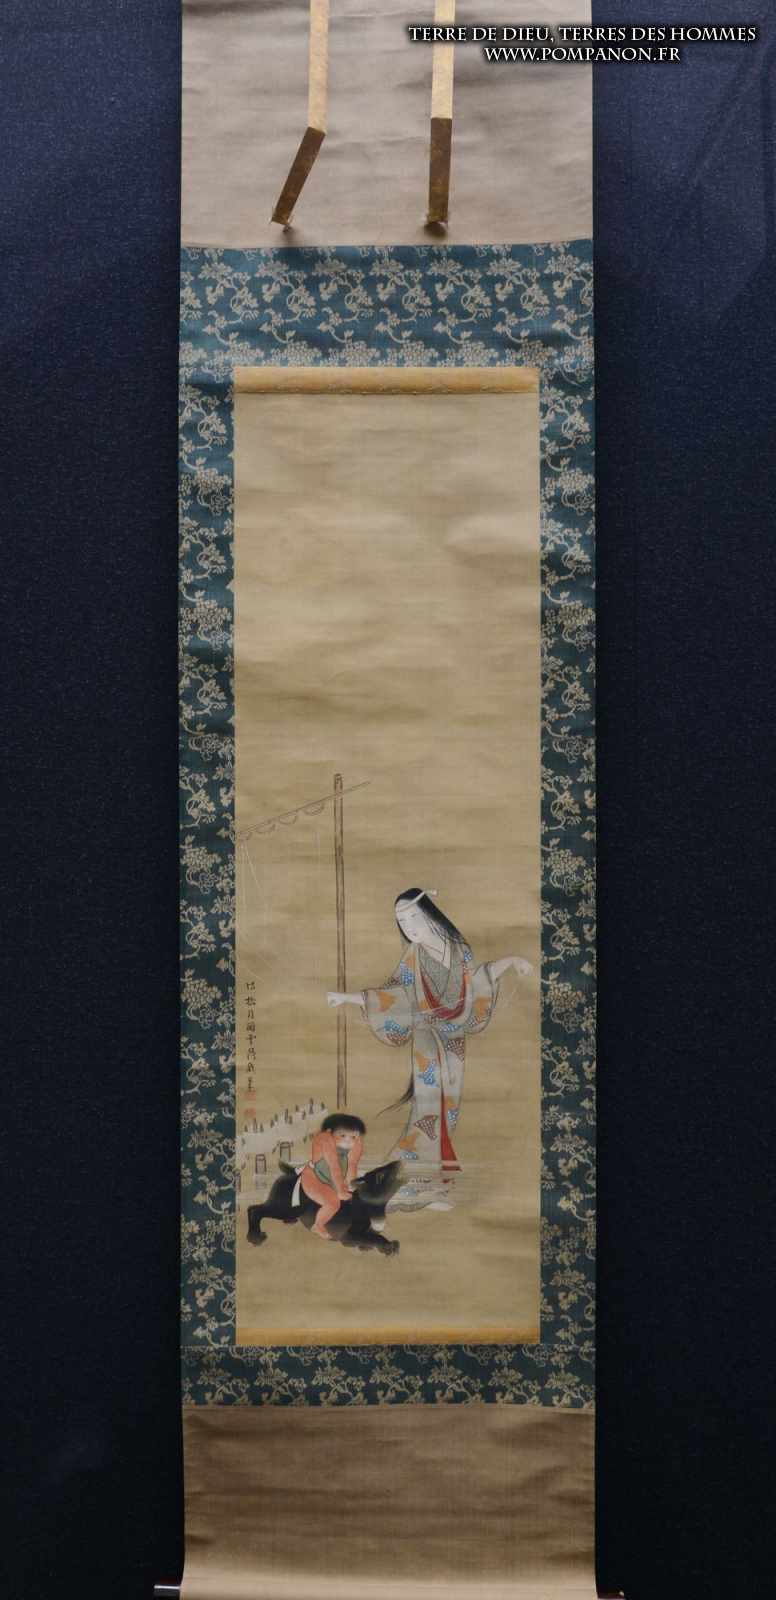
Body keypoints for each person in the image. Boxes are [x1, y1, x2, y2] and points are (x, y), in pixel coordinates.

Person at [326, 889, 531, 1212]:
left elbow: (479, 979)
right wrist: (350, 998)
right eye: (402, 922)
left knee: (448, 1111)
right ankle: (412, 1183)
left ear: (430, 915)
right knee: (428, 1107)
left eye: (413, 918)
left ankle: (435, 1184)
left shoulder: (460, 949)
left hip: (453, 1039)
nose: (408, 927)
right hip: (425, 1039)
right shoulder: (413, 957)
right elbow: (393, 995)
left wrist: (512, 961)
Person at [300, 1112, 365, 1240]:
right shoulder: (325, 1139)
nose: (348, 1140)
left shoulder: (357, 1142)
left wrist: (352, 1186)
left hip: (335, 1179)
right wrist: (340, 1191)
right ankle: (318, 1225)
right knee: (333, 1202)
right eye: (343, 1135)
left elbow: (352, 1164)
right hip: (315, 1179)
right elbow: (333, 1166)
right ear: (330, 1132)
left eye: (353, 1136)